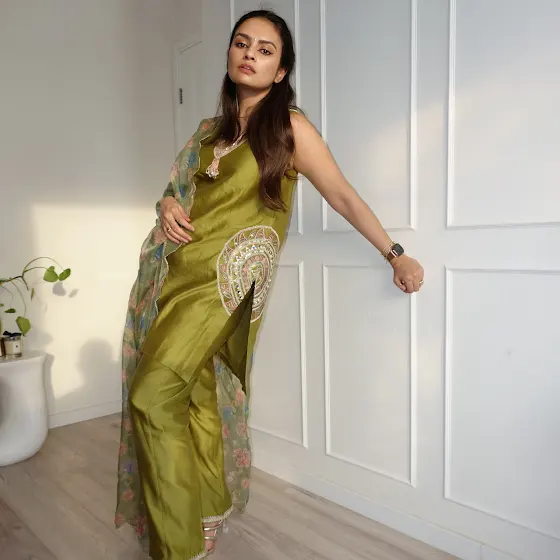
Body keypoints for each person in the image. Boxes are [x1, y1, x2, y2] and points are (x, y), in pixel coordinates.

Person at [115, 9, 424, 560]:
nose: (249, 55)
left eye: (265, 50)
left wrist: (393, 254)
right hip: (178, 275)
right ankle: (207, 508)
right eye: (242, 43)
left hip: (226, 284)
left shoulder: (289, 127)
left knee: (152, 394)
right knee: (193, 393)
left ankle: (178, 546)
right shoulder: (207, 133)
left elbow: (342, 194)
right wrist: (165, 204)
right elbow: (178, 191)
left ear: (280, 71)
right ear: (230, 53)